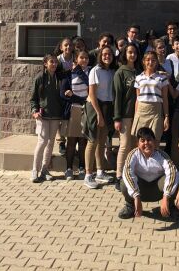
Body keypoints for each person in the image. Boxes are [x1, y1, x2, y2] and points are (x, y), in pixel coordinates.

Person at [119, 127, 179, 219]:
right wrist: (136, 196)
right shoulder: (133, 154)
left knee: (176, 175)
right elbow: (127, 172)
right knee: (124, 182)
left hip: (157, 191)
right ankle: (130, 206)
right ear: (137, 144)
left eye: (149, 140)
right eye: (142, 140)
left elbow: (172, 173)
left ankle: (170, 206)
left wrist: (166, 195)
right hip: (140, 190)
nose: (146, 143)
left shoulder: (162, 155)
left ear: (155, 142)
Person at [83, 45, 117, 189]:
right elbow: (92, 94)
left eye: (109, 54)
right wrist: (98, 114)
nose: (107, 56)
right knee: (93, 141)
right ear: (100, 56)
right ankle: (88, 175)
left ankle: (99, 171)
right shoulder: (95, 71)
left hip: (107, 106)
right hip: (95, 107)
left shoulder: (111, 71)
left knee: (102, 141)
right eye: (104, 54)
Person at [30, 53, 65, 183]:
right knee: (42, 141)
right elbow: (33, 98)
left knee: (50, 143)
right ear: (45, 63)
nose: (54, 64)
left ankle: (45, 170)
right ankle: (35, 170)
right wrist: (34, 111)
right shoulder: (40, 78)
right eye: (51, 62)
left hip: (56, 115)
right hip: (43, 115)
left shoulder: (59, 77)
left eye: (56, 62)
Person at [60, 49, 90, 180]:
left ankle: (82, 167)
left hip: (87, 111)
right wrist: (79, 99)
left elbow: (91, 90)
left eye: (86, 58)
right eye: (81, 58)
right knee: (71, 141)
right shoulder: (68, 75)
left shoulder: (90, 72)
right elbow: (64, 95)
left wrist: (75, 96)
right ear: (76, 59)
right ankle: (69, 168)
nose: (84, 60)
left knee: (83, 142)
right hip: (73, 111)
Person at [113, 43, 139, 190]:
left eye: (134, 52)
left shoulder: (139, 72)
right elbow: (117, 96)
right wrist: (117, 118)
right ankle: (118, 176)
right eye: (129, 52)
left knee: (135, 146)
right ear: (125, 54)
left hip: (138, 115)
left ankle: (130, 173)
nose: (132, 55)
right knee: (124, 145)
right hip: (125, 115)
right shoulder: (120, 73)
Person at [132, 51, 170, 143]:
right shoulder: (138, 78)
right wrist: (135, 115)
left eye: (153, 60)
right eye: (148, 60)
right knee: (140, 141)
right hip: (141, 111)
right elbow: (137, 99)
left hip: (156, 111)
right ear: (144, 61)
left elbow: (165, 98)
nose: (150, 62)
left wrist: (166, 116)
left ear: (156, 62)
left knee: (154, 140)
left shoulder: (162, 78)